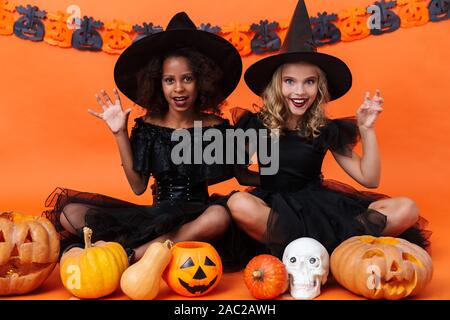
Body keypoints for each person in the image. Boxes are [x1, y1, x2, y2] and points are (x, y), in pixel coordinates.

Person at [226, 0, 430, 260]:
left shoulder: (325, 129)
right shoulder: (254, 124)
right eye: (290, 82)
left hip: (319, 205)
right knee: (237, 203)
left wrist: (367, 129)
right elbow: (240, 173)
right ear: (277, 86)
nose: (299, 92)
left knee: (406, 208)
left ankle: (319, 253)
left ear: (319, 88)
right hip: (273, 206)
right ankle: (314, 253)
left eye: (309, 82)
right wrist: (270, 181)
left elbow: (369, 179)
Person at [43, 12, 243, 264]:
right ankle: (147, 248)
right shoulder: (148, 127)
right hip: (157, 214)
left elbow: (242, 169)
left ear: (202, 81)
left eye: (187, 79)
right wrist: (119, 133)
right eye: (169, 80)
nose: (178, 88)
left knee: (219, 217)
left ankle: (131, 256)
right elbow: (138, 187)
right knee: (70, 213)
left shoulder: (216, 127)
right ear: (158, 83)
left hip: (200, 216)